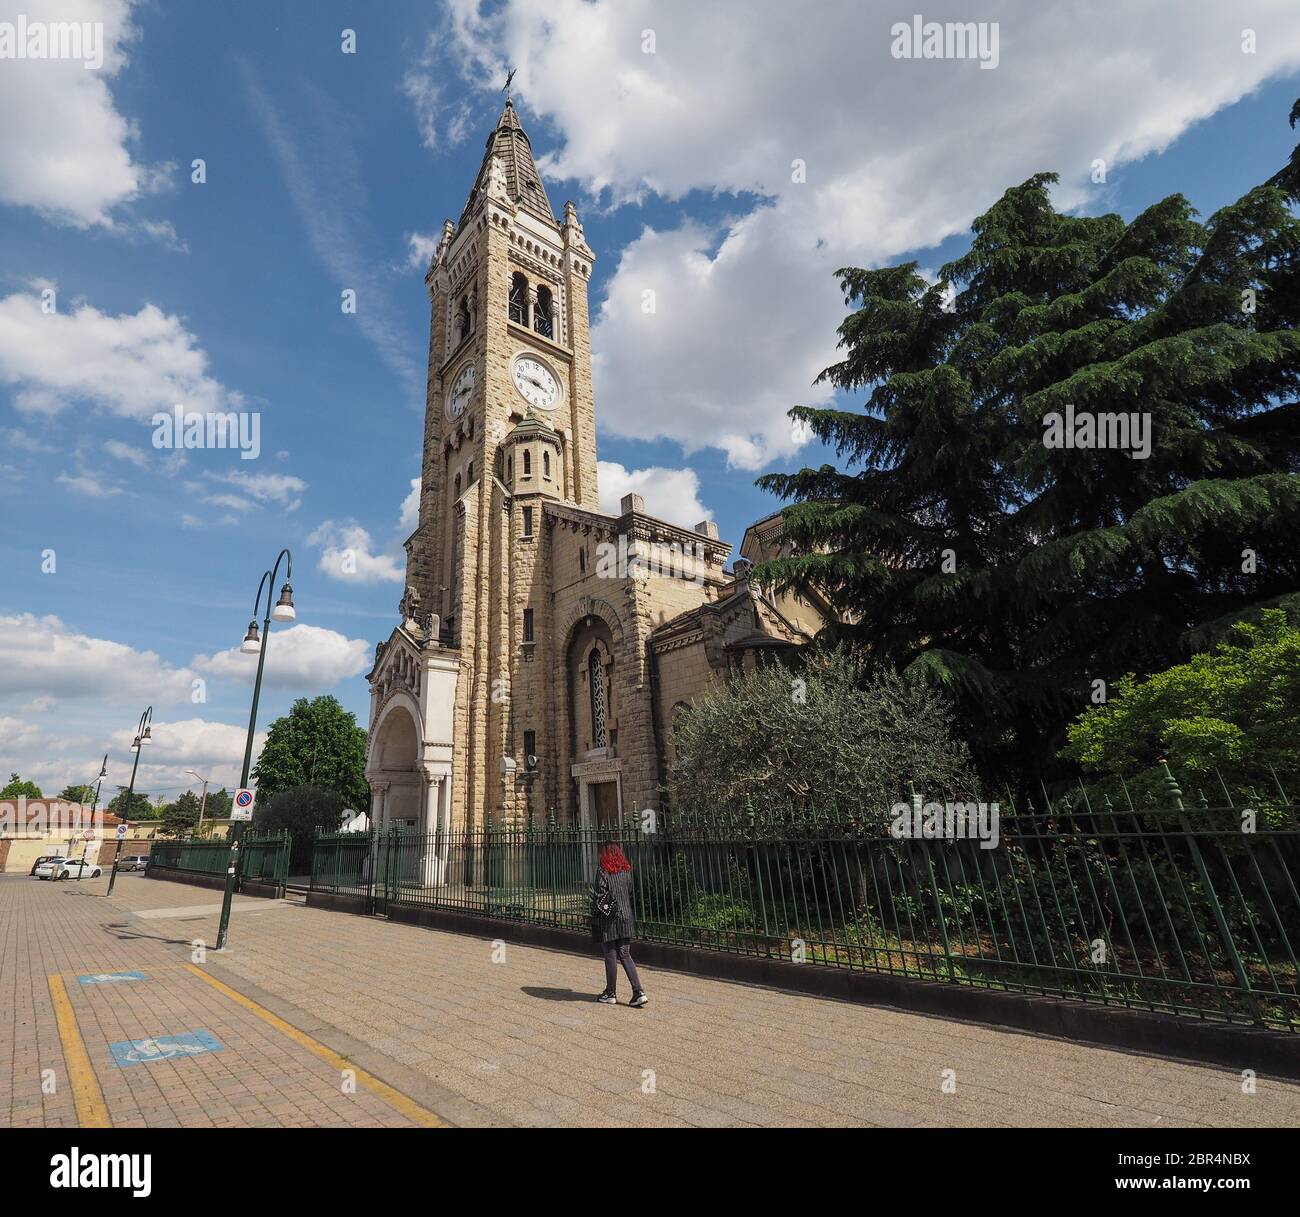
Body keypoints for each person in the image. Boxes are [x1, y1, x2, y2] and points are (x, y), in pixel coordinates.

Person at [592, 840, 648, 1007]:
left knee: (610, 953)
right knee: (625, 953)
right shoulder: (626, 870)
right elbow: (630, 890)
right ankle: (638, 991)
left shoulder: (603, 870)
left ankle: (611, 992)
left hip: (609, 918)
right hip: (626, 916)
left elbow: (599, 894)